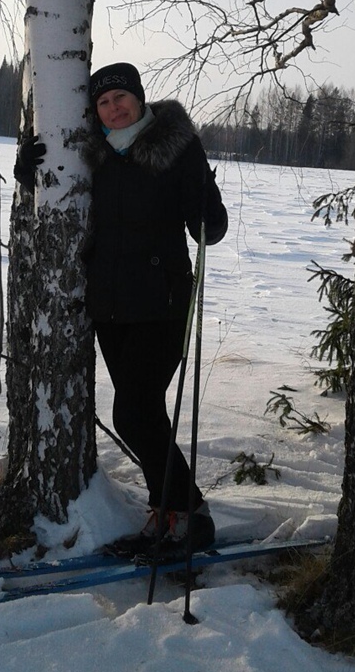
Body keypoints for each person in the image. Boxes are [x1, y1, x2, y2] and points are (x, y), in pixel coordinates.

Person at [15, 62, 228, 556]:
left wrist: (205, 202)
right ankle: (171, 513)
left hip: (162, 303)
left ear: (139, 98)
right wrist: (31, 172)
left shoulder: (176, 146)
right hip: (111, 307)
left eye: (121, 98)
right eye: (104, 103)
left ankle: (189, 513)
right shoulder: (93, 154)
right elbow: (59, 200)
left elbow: (209, 229)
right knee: (145, 413)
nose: (114, 108)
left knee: (133, 414)